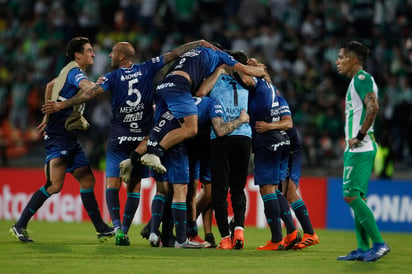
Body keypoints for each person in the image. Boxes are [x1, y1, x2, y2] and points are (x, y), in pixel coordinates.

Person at [41, 39, 218, 246]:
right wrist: (198, 43)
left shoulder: (111, 76)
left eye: (113, 53)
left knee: (112, 184)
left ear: (122, 56)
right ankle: (139, 229)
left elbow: (90, 93)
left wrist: (63, 105)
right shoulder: (148, 67)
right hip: (142, 138)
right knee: (141, 187)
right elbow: (174, 53)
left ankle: (118, 229)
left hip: (119, 137)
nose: (109, 56)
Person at [10, 37, 114, 243]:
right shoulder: (76, 72)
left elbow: (50, 85)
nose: (93, 54)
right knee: (53, 185)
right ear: (78, 55)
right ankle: (19, 225)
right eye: (89, 50)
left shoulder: (67, 70)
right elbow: (86, 88)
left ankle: (101, 228)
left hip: (67, 134)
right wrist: (94, 86)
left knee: (87, 180)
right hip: (59, 134)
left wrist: (48, 113)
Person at [140, 45, 265, 174]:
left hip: (164, 86)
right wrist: (260, 69)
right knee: (190, 129)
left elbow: (174, 53)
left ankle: (134, 158)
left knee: (160, 127)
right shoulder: (220, 56)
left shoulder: (192, 52)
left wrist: (200, 41)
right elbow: (246, 73)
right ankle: (155, 153)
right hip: (180, 87)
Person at [335, 41, 390, 262]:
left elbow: (373, 106)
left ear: (353, 60)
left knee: (349, 196)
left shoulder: (361, 78)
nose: (337, 61)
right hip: (356, 148)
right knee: (357, 196)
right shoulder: (355, 82)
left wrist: (358, 135)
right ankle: (361, 247)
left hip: (361, 147)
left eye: (341, 57)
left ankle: (379, 243)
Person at [196, 51, 253, 250]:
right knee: (238, 188)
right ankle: (239, 230)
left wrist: (219, 70)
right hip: (244, 137)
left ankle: (225, 238)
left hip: (220, 140)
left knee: (220, 190)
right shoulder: (248, 80)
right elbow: (260, 75)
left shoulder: (216, 79)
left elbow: (201, 93)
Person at [259, 94, 318, 249]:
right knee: (281, 192)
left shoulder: (277, 104)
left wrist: (268, 126)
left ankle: (309, 233)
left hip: (293, 153)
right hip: (283, 152)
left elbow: (289, 126)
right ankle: (294, 233)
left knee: (290, 193)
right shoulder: (269, 107)